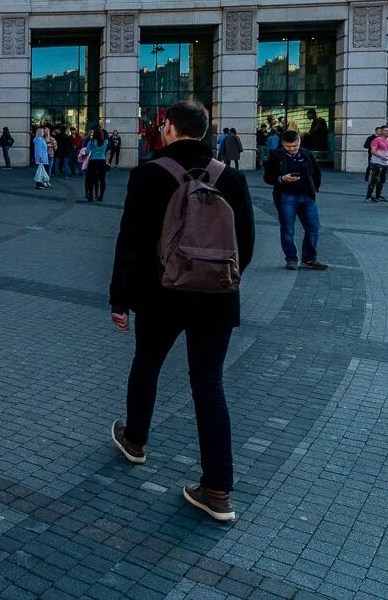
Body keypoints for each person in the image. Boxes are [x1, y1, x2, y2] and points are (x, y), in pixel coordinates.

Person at [106, 100, 255, 524]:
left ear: (168, 128)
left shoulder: (148, 175)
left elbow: (130, 244)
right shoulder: (233, 179)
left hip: (160, 295)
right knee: (209, 383)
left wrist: (120, 300)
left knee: (148, 362)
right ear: (205, 132)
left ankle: (135, 441)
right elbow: (244, 247)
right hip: (216, 299)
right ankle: (218, 490)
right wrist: (215, 280)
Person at [263, 134, 327, 270]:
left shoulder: (307, 154)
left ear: (299, 142)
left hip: (307, 196)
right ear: (283, 144)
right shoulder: (276, 156)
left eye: (295, 146)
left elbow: (316, 172)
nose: (292, 149)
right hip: (286, 196)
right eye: (288, 146)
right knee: (288, 229)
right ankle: (291, 258)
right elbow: (268, 178)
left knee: (313, 227)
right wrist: (281, 178)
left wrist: (315, 189)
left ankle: (309, 258)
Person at [364, 125, 388, 202]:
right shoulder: (377, 140)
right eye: (386, 130)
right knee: (375, 179)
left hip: (385, 163)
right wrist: (381, 156)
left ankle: (378, 195)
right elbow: (372, 151)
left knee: (382, 180)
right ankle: (369, 196)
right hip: (376, 162)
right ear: (381, 131)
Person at [83, 130, 111, 203]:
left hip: (93, 161)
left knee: (91, 179)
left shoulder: (91, 142)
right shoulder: (105, 142)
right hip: (102, 161)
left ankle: (91, 196)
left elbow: (87, 151)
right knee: (102, 180)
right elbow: (107, 151)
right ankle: (100, 196)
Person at [32, 125, 52, 190]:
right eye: (43, 132)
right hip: (42, 158)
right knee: (41, 171)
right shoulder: (39, 140)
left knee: (41, 171)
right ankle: (40, 183)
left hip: (43, 157)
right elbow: (39, 149)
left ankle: (41, 183)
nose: (44, 133)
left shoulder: (40, 139)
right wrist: (40, 157)